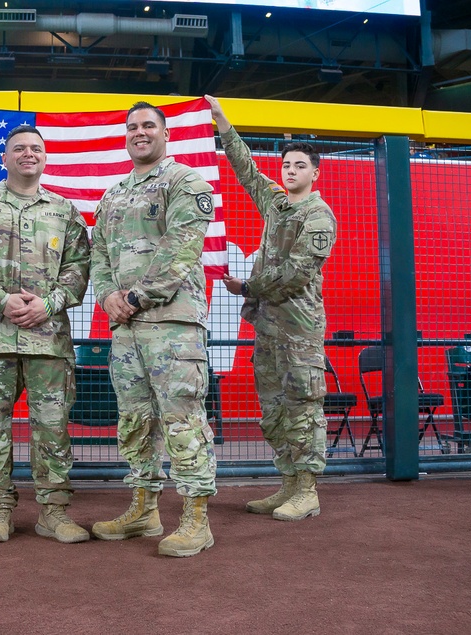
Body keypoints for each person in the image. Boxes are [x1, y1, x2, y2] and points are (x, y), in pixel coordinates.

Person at [89, 101, 218, 557]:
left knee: (182, 421)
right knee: (135, 421)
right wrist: (107, 297)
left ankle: (195, 519)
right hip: (126, 330)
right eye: (132, 127)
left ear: (165, 135)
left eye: (148, 126)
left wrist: (135, 299)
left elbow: (181, 251)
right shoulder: (113, 195)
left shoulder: (185, 182)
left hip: (172, 324)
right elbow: (99, 257)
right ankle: (144, 510)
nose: (139, 132)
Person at [205, 94, 337, 522]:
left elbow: (297, 273)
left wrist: (247, 286)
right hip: (268, 329)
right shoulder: (277, 204)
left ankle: (308, 490)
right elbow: (246, 170)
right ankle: (288, 485)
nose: (291, 171)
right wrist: (225, 126)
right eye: (287, 166)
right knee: (275, 411)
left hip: (299, 332)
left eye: (300, 165)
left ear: (315, 173)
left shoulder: (319, 217)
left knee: (303, 408)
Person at [0, 124, 92, 544]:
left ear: (45, 157)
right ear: (5, 157)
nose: (28, 154)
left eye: (36, 148)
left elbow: (80, 267)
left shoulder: (64, 211)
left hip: (48, 340)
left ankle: (53, 512)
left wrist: (49, 304)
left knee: (53, 427)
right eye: (19, 149)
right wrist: (0, 299)